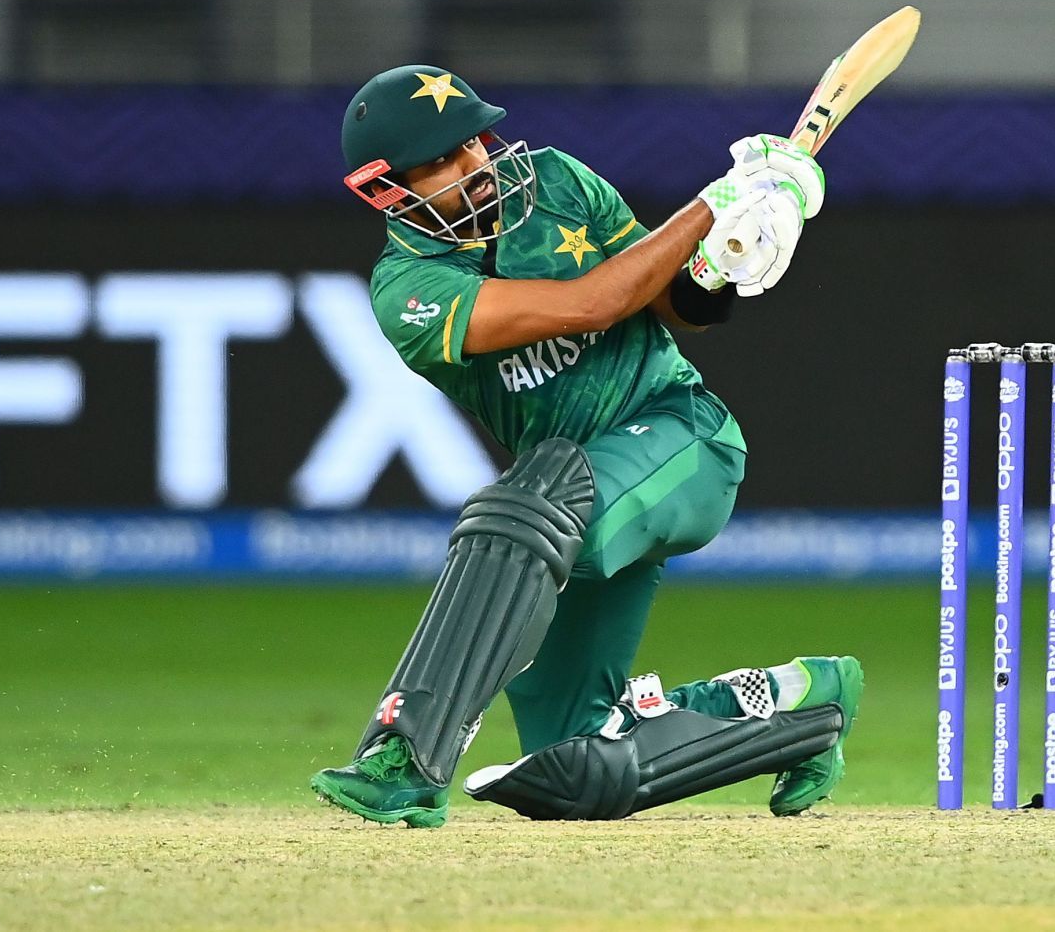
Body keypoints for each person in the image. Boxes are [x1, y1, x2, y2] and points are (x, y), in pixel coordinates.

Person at [309, 64, 864, 827]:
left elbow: (679, 306)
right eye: (441, 160)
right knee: (577, 766)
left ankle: (404, 757)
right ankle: (808, 706)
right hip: (563, 508)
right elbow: (594, 303)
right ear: (387, 187)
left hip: (682, 440)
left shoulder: (558, 182)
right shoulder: (409, 289)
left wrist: (728, 257)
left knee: (525, 499)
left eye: (474, 141)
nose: (474, 164)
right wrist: (715, 203)